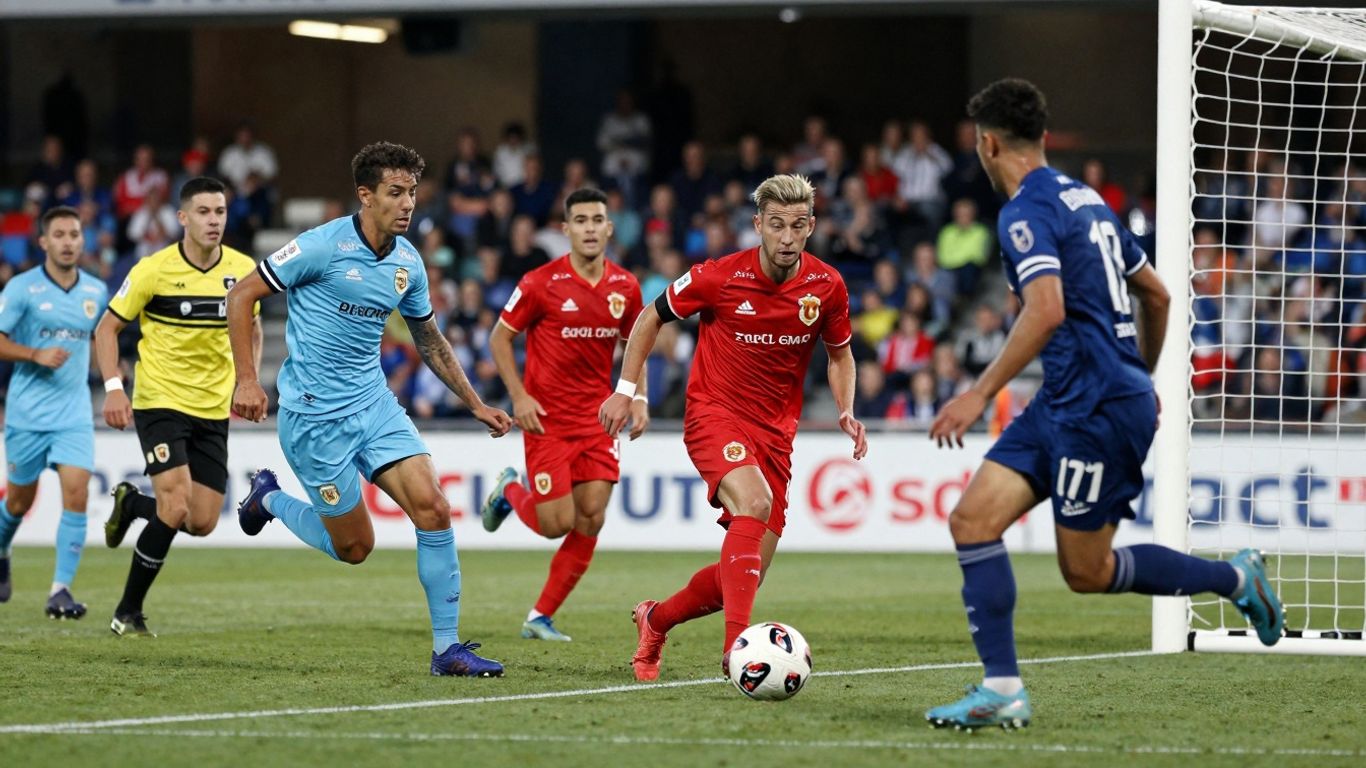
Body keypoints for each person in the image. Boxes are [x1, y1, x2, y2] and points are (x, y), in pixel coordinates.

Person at [923, 78, 1285, 731]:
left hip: (1094, 405)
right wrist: (1137, 378)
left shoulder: (1024, 211)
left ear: (989, 143)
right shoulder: (1086, 199)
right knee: (972, 521)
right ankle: (1002, 689)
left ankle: (1234, 580)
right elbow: (1158, 296)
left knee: (1086, 573)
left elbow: (1047, 308)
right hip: (1074, 395)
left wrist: (979, 391)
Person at [226, 142, 514, 678]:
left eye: (412, 193)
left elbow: (430, 340)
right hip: (314, 421)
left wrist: (474, 402)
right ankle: (269, 500)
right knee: (356, 548)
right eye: (395, 193)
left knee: (433, 508)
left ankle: (447, 649)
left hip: (374, 406)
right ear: (366, 196)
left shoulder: (408, 263)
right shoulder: (320, 246)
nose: (407, 205)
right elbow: (242, 296)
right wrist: (247, 378)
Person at [599, 174, 867, 681]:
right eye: (775, 225)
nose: (786, 237)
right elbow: (648, 318)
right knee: (756, 503)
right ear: (757, 226)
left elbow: (841, 355)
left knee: (743, 576)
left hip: (775, 435)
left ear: (810, 227)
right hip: (713, 414)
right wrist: (627, 388)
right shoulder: (718, 276)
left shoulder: (827, 285)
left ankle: (655, 619)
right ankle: (737, 653)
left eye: (797, 225)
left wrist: (845, 408)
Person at [96, 177, 262, 637]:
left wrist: (246, 382)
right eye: (204, 212)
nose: (214, 221)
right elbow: (106, 329)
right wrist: (114, 387)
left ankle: (132, 505)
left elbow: (252, 327)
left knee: (203, 520)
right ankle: (128, 611)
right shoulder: (154, 269)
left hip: (212, 408)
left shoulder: (243, 269)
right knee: (175, 502)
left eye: (221, 212)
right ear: (183, 218)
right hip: (160, 401)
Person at [481, 188, 648, 642]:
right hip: (547, 421)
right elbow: (499, 339)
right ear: (567, 230)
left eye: (598, 219)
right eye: (581, 220)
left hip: (597, 422)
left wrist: (638, 397)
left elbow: (637, 344)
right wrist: (518, 397)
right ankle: (510, 491)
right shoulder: (540, 283)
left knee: (591, 516)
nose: (590, 228)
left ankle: (540, 616)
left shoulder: (625, 286)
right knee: (555, 524)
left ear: (609, 228)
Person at [0, 206, 107, 618]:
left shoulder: (96, 292)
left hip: (74, 413)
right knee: (18, 503)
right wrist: (34, 353)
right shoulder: (22, 289)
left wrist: (112, 375)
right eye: (59, 235)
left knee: (77, 494)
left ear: (84, 240)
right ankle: (3, 546)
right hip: (26, 415)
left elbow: (101, 339)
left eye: (74, 234)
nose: (67, 242)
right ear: (43, 242)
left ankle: (60, 590)